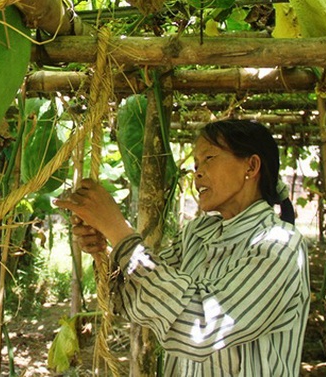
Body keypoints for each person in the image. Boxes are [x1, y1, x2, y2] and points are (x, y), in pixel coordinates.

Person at [54, 119, 310, 376]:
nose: (197, 172)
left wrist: (119, 231)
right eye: (196, 164)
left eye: (209, 158)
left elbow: (201, 328)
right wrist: (109, 253)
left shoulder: (280, 246)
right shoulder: (198, 232)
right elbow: (145, 297)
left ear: (251, 166)